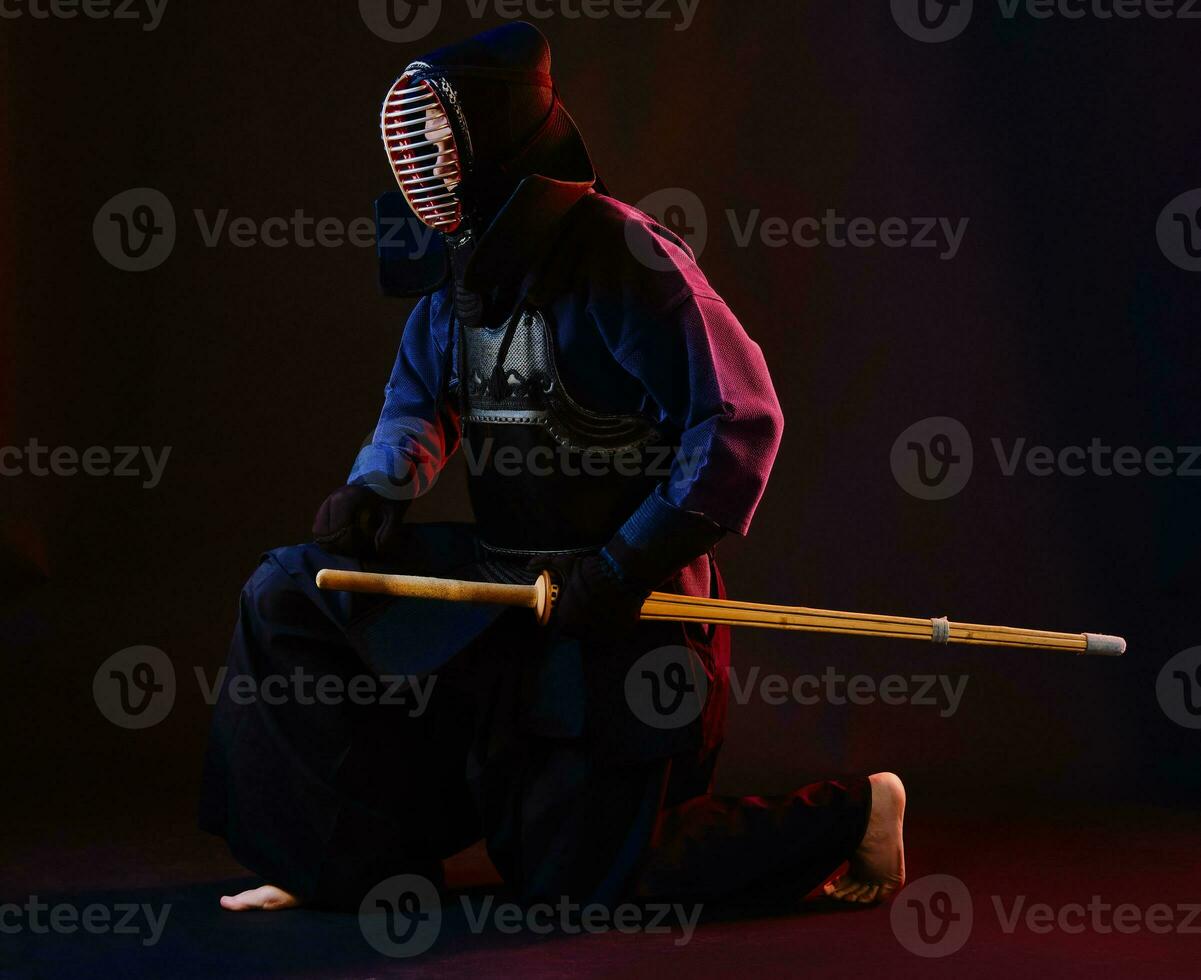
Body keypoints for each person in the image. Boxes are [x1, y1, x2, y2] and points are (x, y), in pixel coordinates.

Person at [201, 21, 904, 915]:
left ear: (494, 132)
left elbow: (739, 425)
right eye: (418, 144)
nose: (428, 162)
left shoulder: (626, 255)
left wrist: (625, 562)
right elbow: (420, 401)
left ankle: (853, 814)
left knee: (585, 886)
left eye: (443, 140)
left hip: (631, 615)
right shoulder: (463, 266)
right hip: (505, 588)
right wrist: (384, 482)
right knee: (288, 596)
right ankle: (341, 864)